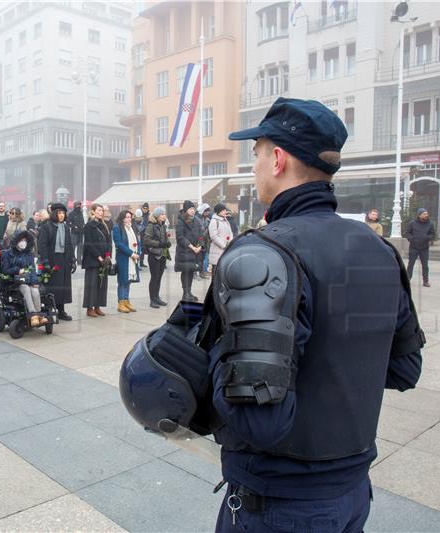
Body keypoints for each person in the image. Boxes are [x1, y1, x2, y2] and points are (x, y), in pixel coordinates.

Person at [120, 97, 424, 532]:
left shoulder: (262, 253)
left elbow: (261, 421)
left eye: (258, 152)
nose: (255, 164)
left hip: (279, 506)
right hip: (353, 493)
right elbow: (405, 368)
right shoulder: (378, 249)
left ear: (278, 158)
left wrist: (218, 351)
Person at [1, 230, 46, 327]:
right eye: (21, 240)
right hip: (14, 282)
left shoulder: (28, 254)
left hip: (28, 279)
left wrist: (35, 281)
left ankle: (39, 315)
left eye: (25, 240)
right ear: (16, 241)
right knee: (25, 288)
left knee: (34, 289)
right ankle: (33, 314)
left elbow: (32, 269)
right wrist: (17, 270)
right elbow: (5, 270)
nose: (23, 242)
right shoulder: (8, 254)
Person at [38, 203, 75, 321]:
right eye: (59, 213)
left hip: (64, 259)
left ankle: (61, 310)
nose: (62, 215)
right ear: (54, 214)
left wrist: (73, 260)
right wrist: (45, 261)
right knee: (52, 286)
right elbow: (42, 245)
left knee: (63, 286)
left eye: (63, 213)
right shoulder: (46, 226)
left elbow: (69, 244)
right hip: (52, 259)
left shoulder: (65, 227)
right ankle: (49, 310)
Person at [82, 203, 112, 317]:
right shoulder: (89, 226)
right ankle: (90, 308)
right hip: (92, 260)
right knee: (91, 285)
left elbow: (109, 241)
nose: (101, 212)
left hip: (104, 259)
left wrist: (108, 256)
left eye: (102, 210)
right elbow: (89, 244)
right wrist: (99, 257)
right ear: (93, 211)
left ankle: (98, 306)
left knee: (101, 284)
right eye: (99, 210)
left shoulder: (104, 225)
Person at [113, 210, 141, 313]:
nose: (129, 219)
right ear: (122, 218)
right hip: (123, 258)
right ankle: (121, 302)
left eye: (130, 217)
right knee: (122, 281)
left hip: (133, 258)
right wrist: (132, 254)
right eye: (127, 217)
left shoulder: (132, 228)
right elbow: (119, 244)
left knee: (128, 281)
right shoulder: (117, 228)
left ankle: (126, 301)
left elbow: (138, 242)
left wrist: (138, 252)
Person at [142, 207, 170, 309]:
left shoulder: (163, 226)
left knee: (159, 277)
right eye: (162, 214)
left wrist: (167, 242)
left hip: (162, 254)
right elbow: (146, 240)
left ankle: (157, 297)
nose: (164, 216)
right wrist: (159, 243)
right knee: (154, 277)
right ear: (157, 216)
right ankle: (152, 299)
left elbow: (164, 238)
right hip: (154, 255)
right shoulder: (151, 225)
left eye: (164, 214)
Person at [174, 200, 202, 302]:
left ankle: (189, 292)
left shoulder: (197, 220)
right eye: (190, 209)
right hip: (185, 252)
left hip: (195, 251)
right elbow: (180, 237)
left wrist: (200, 245)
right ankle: (185, 293)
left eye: (193, 209)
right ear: (186, 210)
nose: (193, 211)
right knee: (185, 272)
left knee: (191, 272)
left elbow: (201, 234)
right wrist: (191, 246)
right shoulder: (181, 221)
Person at [404, 208, 436, 287]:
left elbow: (433, 234)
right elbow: (407, 233)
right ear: (419, 215)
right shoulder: (412, 223)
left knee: (425, 265)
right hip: (413, 247)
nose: (426, 215)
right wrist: (412, 239)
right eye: (424, 214)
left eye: (426, 214)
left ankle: (426, 281)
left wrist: (427, 238)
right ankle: (407, 280)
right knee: (410, 264)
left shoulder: (430, 224)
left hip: (424, 248)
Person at [208, 203, 233, 273]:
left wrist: (230, 243)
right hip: (217, 251)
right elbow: (213, 236)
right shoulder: (214, 221)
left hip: (225, 250)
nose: (225, 212)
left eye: (225, 210)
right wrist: (224, 246)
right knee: (216, 274)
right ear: (218, 211)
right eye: (223, 210)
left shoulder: (226, 220)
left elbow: (230, 233)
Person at [69, 201, 86, 265]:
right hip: (74, 233)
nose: (78, 207)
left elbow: (83, 221)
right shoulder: (71, 214)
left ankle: (79, 260)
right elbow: (68, 223)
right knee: (73, 247)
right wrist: (74, 227)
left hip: (81, 233)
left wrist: (83, 225)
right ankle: (72, 259)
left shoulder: (81, 213)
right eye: (77, 205)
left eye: (79, 205)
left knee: (80, 247)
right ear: (74, 206)